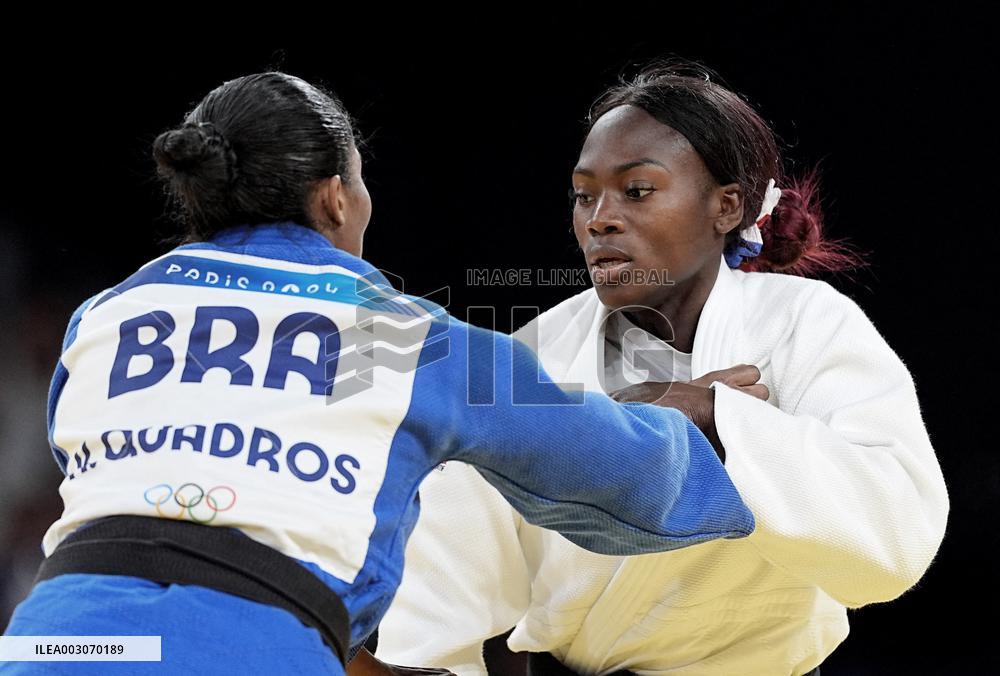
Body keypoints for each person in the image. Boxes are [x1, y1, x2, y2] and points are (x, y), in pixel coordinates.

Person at [0, 72, 762, 676]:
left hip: (51, 641)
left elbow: (158, 511)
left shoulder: (107, 315)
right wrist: (693, 417)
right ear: (336, 197)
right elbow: (607, 468)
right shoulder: (387, 334)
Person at [374, 62, 950, 675]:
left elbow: (896, 537)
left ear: (726, 206)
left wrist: (709, 416)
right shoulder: (534, 357)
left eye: (637, 190)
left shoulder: (802, 325)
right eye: (583, 195)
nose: (599, 218)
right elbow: (439, 595)